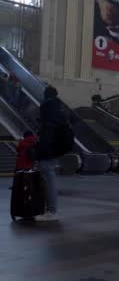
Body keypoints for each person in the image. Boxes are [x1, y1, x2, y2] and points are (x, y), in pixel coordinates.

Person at [36, 86, 66, 221]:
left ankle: (51, 211)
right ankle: (49, 209)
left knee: (48, 176)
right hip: (55, 148)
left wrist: (41, 150)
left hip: (47, 148)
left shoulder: (48, 108)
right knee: (48, 175)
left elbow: (46, 134)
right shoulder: (59, 107)